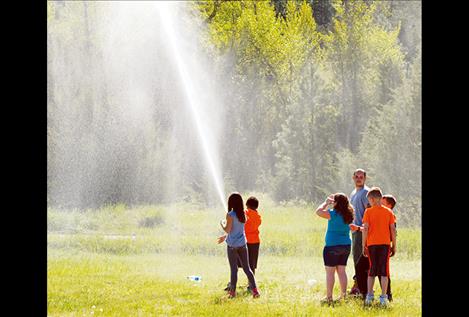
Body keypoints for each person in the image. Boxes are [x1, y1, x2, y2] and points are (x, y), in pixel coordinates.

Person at [217, 192, 260, 298]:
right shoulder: (244, 215)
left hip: (232, 246)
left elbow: (228, 229)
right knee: (247, 269)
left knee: (234, 269)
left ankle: (232, 293)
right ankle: (255, 291)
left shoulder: (230, 215)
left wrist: (222, 224)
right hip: (242, 245)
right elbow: (237, 230)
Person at [316, 193, 354, 304]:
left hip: (332, 246)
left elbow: (318, 212)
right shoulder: (349, 214)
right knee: (342, 272)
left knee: (330, 273)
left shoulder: (332, 214)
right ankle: (343, 296)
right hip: (346, 246)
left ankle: (329, 297)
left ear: (336, 203)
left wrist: (326, 202)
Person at [362, 187, 397, 307]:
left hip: (372, 244)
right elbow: (393, 229)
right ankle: (383, 297)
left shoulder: (368, 212)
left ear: (372, 199)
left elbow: (365, 229)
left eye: (369, 200)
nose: (369, 202)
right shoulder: (389, 212)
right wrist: (394, 246)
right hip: (385, 244)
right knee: (384, 271)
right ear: (380, 198)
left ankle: (369, 296)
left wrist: (364, 245)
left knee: (372, 269)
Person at [349, 168, 370, 295]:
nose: (358, 178)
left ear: (365, 178)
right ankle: (358, 285)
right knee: (356, 258)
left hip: (362, 231)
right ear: (353, 178)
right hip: (355, 231)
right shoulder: (353, 193)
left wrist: (363, 229)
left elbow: (370, 211)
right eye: (356, 176)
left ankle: (363, 288)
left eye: (361, 177)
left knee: (361, 260)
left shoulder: (366, 193)